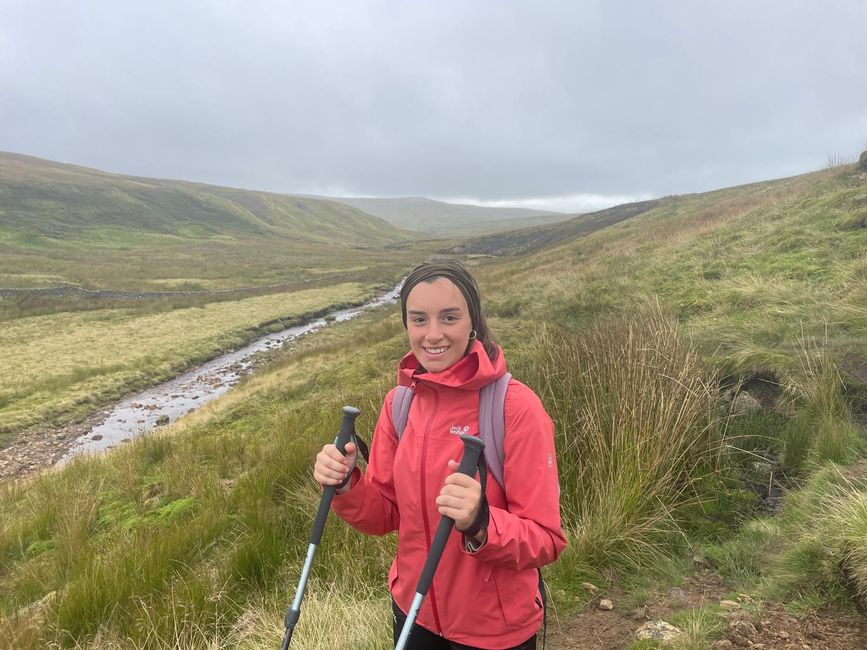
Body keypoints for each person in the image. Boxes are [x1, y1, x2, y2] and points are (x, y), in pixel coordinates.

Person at [313, 260, 566, 650]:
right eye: (419, 319)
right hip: (413, 614)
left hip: (492, 631)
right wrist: (346, 484)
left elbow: (546, 540)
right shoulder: (400, 404)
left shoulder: (515, 408)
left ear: (473, 322)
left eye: (449, 317)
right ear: (406, 325)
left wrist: (481, 522)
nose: (433, 335)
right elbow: (385, 513)